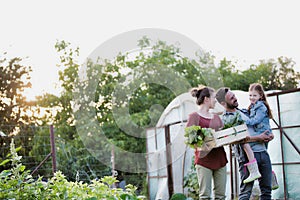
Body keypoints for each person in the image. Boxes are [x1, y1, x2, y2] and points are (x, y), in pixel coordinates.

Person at [215, 87, 273, 200]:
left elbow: (259, 125)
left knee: (266, 190)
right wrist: (259, 137)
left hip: (263, 152)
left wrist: (268, 135)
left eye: (234, 96)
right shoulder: (226, 119)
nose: (235, 99)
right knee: (246, 192)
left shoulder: (244, 111)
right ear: (223, 103)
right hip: (247, 158)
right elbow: (237, 139)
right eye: (231, 98)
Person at [186, 85, 228, 199]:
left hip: (220, 159)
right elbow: (190, 140)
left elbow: (224, 136)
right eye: (214, 97)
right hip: (204, 160)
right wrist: (203, 145)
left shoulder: (217, 118)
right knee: (205, 196)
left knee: (221, 196)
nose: (215, 100)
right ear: (206, 99)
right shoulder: (194, 117)